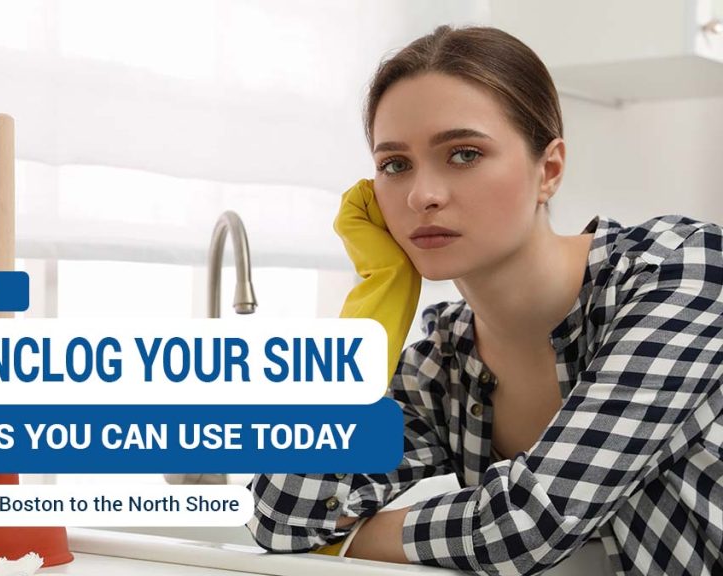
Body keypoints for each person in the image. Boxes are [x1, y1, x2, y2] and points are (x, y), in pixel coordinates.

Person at [246, 25, 723, 576]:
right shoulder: (441, 363)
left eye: (464, 154)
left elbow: (529, 523)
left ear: (549, 170)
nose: (423, 195)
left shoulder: (682, 272)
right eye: (395, 164)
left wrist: (356, 540)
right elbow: (282, 515)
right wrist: (378, 298)